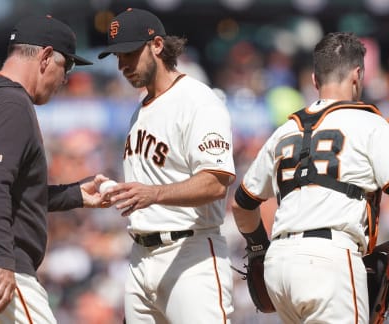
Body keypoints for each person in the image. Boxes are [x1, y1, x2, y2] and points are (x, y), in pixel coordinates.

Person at [0, 15, 110, 323]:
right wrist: (1, 257)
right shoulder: (11, 103)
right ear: (47, 56)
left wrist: (74, 195)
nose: (65, 79)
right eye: (67, 67)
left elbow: (6, 190)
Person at [231, 31, 389, 323]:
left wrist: (257, 249)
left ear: (314, 80)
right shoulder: (371, 124)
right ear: (358, 75)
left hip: (279, 267)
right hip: (330, 261)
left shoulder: (284, 131)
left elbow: (242, 204)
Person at [98, 8, 236, 323]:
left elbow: (216, 182)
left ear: (157, 45)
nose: (122, 65)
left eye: (129, 53)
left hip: (191, 253)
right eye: (117, 56)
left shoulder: (198, 100)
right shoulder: (140, 109)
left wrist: (154, 194)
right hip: (140, 256)